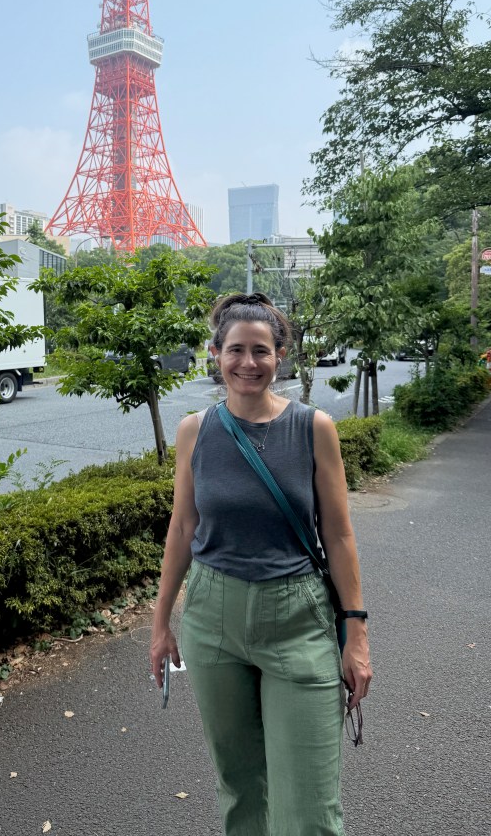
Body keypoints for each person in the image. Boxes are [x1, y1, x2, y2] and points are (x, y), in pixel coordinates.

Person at [150, 293, 373, 835]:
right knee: (241, 789)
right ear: (215, 353)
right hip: (211, 617)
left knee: (309, 809)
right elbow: (182, 529)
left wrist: (356, 634)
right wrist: (160, 626)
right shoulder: (194, 431)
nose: (247, 363)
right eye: (235, 350)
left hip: (297, 617)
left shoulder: (313, 427)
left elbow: (339, 534)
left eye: (261, 351)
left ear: (281, 356)